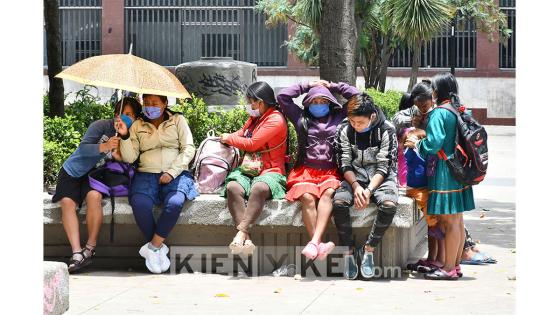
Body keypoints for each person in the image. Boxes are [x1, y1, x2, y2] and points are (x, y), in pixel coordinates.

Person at [52, 97, 142, 273]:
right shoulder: (100, 126)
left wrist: (118, 156)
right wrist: (105, 146)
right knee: (67, 203)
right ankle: (76, 253)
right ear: (116, 113)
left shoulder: (130, 135)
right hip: (73, 172)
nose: (125, 117)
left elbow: (130, 161)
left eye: (130, 115)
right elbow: (84, 148)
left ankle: (89, 250)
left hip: (95, 176)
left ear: (136, 118)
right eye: (122, 112)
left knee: (94, 197)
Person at [277, 80, 359, 260]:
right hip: (306, 171)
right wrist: (307, 85)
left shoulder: (339, 116)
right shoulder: (299, 117)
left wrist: (335, 86)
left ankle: (314, 242)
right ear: (308, 103)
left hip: (330, 171)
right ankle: (318, 244)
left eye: (323, 101)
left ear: (330, 103)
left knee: (328, 193)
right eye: (314, 101)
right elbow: (282, 97)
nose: (319, 105)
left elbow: (357, 97)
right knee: (307, 197)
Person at [116, 94, 198, 274]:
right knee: (140, 204)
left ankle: (152, 247)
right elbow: (130, 158)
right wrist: (124, 136)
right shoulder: (137, 125)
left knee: (174, 203)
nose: (150, 107)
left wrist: (172, 172)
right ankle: (159, 250)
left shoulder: (178, 120)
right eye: (146, 103)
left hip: (175, 173)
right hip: (146, 174)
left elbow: (189, 148)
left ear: (165, 103)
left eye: (155, 103)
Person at [405, 72, 476, 280]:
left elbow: (434, 143)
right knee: (457, 221)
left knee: (450, 222)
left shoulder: (439, 113)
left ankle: (448, 268)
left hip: (445, 172)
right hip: (459, 170)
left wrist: (417, 144)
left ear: (437, 91)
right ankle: (453, 266)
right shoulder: (455, 110)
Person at [332, 93, 398, 280]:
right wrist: (355, 186)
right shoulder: (344, 129)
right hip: (354, 176)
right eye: (352, 121)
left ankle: (369, 249)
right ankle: (349, 251)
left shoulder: (387, 130)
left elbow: (385, 165)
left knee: (389, 205)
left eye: (360, 122)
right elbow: (343, 162)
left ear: (372, 117)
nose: (356, 126)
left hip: (382, 178)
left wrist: (369, 190)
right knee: (338, 203)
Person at [220, 82, 288, 256]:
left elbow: (252, 144)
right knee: (233, 187)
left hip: (271, 170)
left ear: (261, 101)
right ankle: (247, 239)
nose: (249, 106)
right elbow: (241, 134)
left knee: (259, 188)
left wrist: (229, 139)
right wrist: (227, 137)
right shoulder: (255, 118)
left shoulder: (275, 119)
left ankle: (241, 232)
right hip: (249, 168)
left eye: (251, 101)